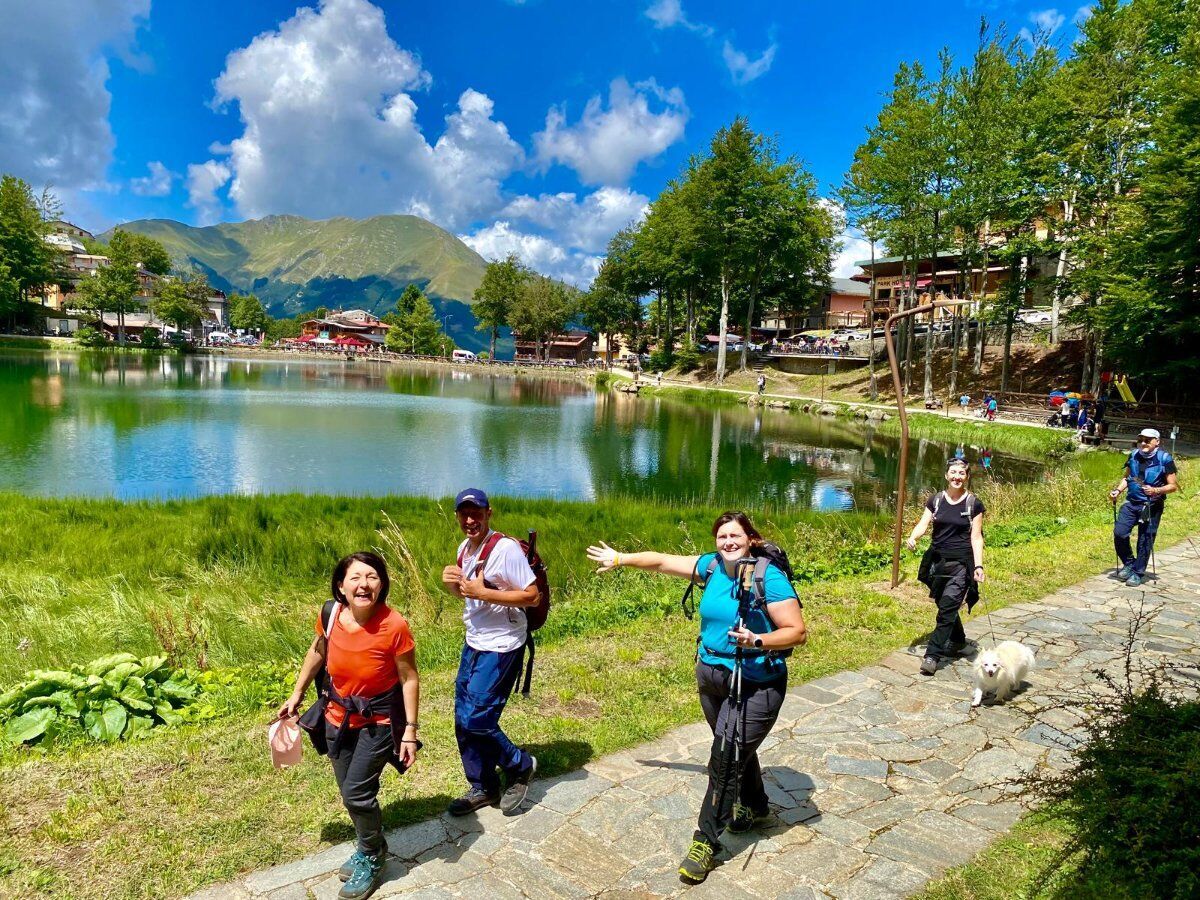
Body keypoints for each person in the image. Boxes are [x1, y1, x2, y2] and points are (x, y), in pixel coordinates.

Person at [585, 512, 807, 884]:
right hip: (711, 676)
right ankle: (756, 805)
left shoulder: (768, 577)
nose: (728, 542)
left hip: (756, 682)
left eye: (735, 535)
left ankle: (705, 841)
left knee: (724, 760)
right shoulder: (712, 566)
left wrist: (757, 640)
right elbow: (660, 561)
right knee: (730, 746)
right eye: (722, 536)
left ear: (750, 539)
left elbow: (797, 632)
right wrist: (620, 558)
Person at [281, 552, 420, 900]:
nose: (364, 584)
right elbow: (318, 651)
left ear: (382, 585)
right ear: (341, 586)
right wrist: (297, 693)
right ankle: (369, 844)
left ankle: (372, 855)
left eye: (372, 577)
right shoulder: (331, 615)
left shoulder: (394, 625)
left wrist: (410, 730)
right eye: (355, 577)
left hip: (378, 722)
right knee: (349, 791)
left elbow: (409, 678)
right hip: (336, 717)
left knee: (357, 792)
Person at [440, 488, 539, 817]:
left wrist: (483, 592)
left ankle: (520, 765)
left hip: (503, 644)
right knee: (462, 717)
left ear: (488, 513)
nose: (470, 520)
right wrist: (454, 586)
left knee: (477, 718)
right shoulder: (464, 549)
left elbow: (532, 596)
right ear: (457, 516)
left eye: (477, 513)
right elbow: (471, 596)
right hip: (474, 641)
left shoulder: (505, 549)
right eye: (464, 514)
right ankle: (483, 785)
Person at [906, 459, 986, 677]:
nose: (957, 477)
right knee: (945, 605)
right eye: (953, 472)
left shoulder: (973, 504)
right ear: (946, 475)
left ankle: (932, 655)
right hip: (937, 562)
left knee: (947, 606)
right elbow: (924, 523)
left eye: (961, 473)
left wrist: (978, 565)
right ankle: (958, 640)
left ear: (967, 477)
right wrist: (913, 537)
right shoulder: (936, 500)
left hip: (961, 564)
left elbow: (976, 537)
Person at [1109, 428, 1178, 586]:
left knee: (1145, 539)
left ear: (1157, 442)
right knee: (1120, 533)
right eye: (1140, 440)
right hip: (1132, 502)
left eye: (1147, 440)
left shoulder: (1165, 459)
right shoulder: (1134, 455)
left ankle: (1138, 572)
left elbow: (1173, 486)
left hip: (1151, 505)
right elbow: (1128, 477)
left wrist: (1156, 490)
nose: (1143, 443)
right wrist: (1118, 491)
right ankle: (1129, 563)